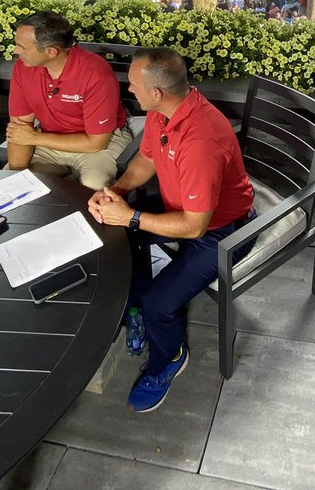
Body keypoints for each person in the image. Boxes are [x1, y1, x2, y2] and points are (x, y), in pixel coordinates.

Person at [88, 48, 256, 412]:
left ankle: (169, 360)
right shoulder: (164, 113)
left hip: (223, 232)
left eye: (133, 85)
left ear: (157, 92)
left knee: (159, 305)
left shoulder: (200, 141)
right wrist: (115, 195)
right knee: (114, 235)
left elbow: (195, 227)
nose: (129, 90)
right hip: (181, 212)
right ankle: (135, 308)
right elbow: (147, 158)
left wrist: (130, 216)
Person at [6, 11, 132, 190]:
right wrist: (17, 176)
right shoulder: (23, 67)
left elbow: (96, 143)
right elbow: (19, 129)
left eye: (22, 47)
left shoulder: (96, 74)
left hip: (101, 143)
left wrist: (34, 138)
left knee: (94, 184)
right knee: (10, 183)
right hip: (47, 141)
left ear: (51, 52)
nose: (15, 51)